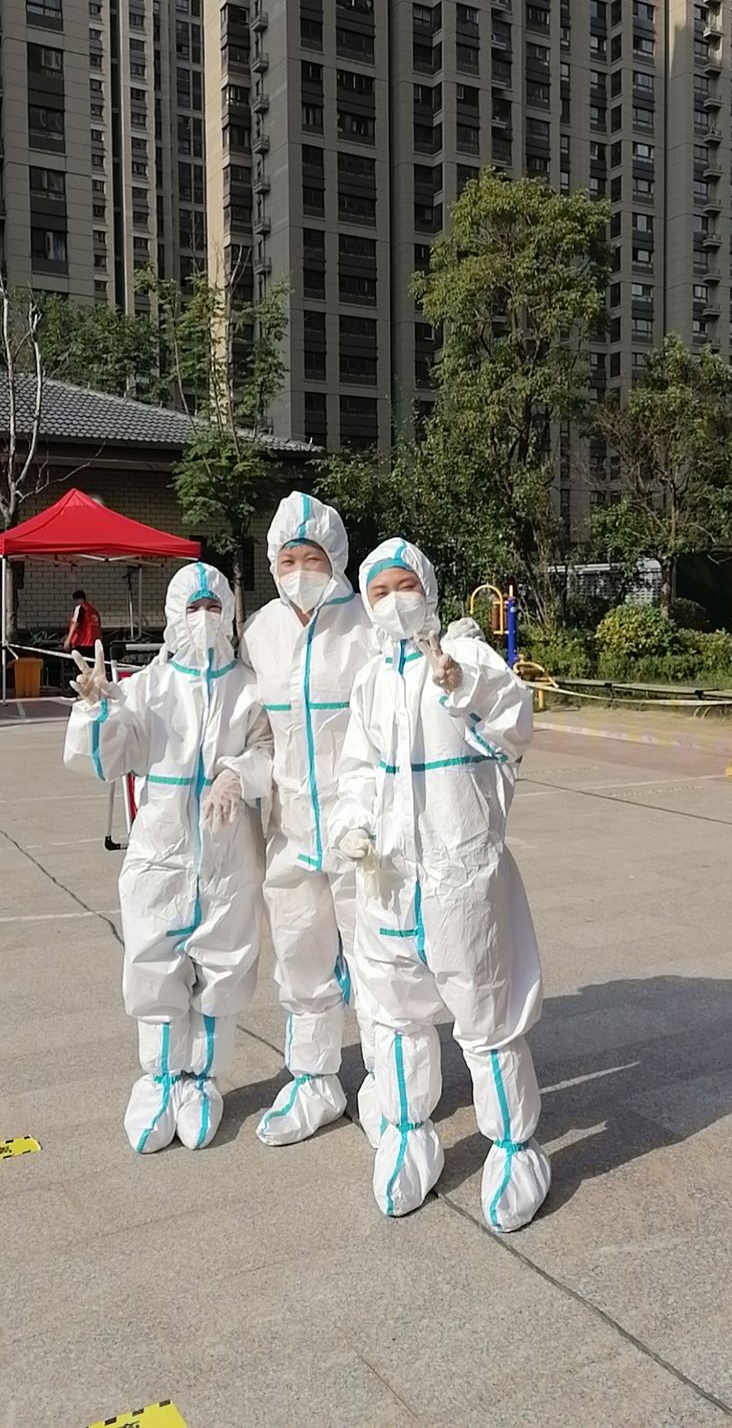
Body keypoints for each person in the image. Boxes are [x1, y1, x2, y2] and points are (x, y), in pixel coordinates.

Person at [330, 537, 551, 1233]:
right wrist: (353, 823)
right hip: (388, 882)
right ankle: (406, 1137)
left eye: (404, 585)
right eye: (379, 591)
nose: (394, 600)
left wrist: (461, 686)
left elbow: (514, 724)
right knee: (397, 1018)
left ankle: (514, 1150)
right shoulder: (369, 681)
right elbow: (357, 768)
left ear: (426, 587)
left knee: (487, 1017)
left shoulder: (468, 657)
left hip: (461, 881)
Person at [64, 562, 273, 1154]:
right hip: (162, 851)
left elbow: (268, 749)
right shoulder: (147, 687)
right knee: (154, 961)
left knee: (223, 965)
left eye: (214, 608)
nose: (204, 619)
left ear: (228, 615)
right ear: (174, 615)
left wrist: (236, 774)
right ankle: (158, 1081)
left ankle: (202, 1081)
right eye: (193, 608)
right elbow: (107, 761)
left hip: (229, 852)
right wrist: (96, 709)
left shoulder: (248, 686)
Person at [241, 491, 375, 1145]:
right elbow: (254, 732)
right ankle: (314, 1079)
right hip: (291, 827)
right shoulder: (259, 632)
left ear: (336, 557)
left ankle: (390, 1081)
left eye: (312, 556)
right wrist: (236, 775)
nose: (298, 570)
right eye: (287, 558)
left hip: (362, 832)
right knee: (300, 956)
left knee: (378, 957)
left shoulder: (368, 623)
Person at [63, 588, 102, 656]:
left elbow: (75, 624)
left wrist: (68, 640)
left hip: (82, 643)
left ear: (76, 600)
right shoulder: (93, 611)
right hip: (94, 644)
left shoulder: (80, 608)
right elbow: (98, 627)